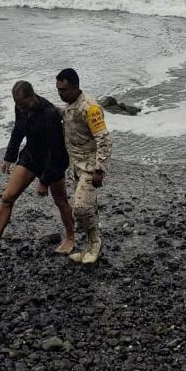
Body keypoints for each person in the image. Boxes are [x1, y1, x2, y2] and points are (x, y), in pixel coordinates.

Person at [0, 80, 76, 255]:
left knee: (61, 200)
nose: (21, 108)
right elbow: (18, 130)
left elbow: (56, 150)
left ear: (32, 97)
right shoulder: (20, 107)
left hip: (53, 160)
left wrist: (44, 181)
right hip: (31, 155)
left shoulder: (49, 114)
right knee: (7, 197)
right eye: (18, 104)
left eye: (24, 104)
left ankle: (70, 237)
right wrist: (8, 157)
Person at [56, 68, 113, 264]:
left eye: (63, 90)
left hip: (90, 167)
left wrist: (100, 170)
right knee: (89, 208)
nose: (60, 93)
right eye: (58, 90)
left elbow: (104, 140)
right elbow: (64, 113)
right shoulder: (70, 106)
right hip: (76, 166)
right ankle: (90, 244)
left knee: (80, 209)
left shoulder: (90, 108)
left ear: (74, 87)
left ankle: (95, 242)